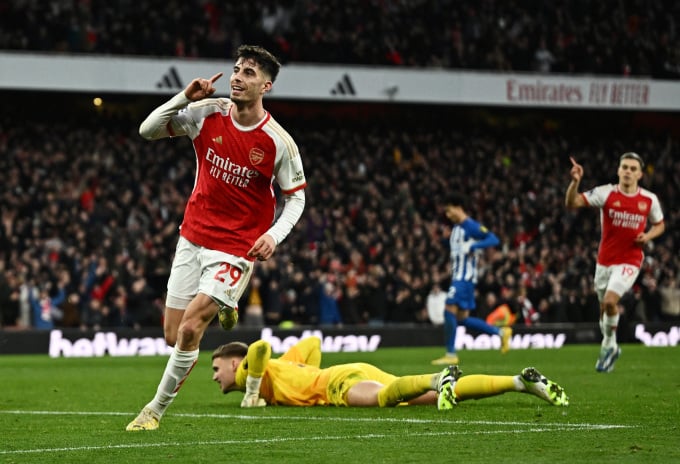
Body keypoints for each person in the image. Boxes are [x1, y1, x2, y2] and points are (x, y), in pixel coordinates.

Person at [126, 45, 307, 431]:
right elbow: (148, 130)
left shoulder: (278, 142)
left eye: (249, 73)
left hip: (235, 248)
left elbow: (296, 198)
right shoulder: (209, 113)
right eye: (237, 69)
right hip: (193, 237)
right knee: (174, 334)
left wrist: (274, 235)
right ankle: (227, 305)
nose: (238, 76)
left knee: (191, 328)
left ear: (266, 86)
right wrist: (183, 98)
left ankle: (153, 411)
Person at [211, 336, 569, 410]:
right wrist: (302, 371)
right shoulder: (283, 367)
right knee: (433, 399)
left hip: (337, 384)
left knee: (382, 400)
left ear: (232, 363)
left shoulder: (246, 372)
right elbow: (313, 342)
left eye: (216, 369)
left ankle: (436, 377)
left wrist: (251, 391)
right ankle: (520, 382)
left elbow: (257, 348)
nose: (215, 378)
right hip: (352, 370)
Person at [565, 153, 664, 373]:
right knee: (604, 309)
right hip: (604, 262)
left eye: (632, 168)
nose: (628, 171)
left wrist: (647, 236)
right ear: (618, 170)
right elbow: (572, 202)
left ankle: (608, 344)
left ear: (639, 174)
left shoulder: (649, 200)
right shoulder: (606, 193)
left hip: (630, 260)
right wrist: (575, 182)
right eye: (624, 167)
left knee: (610, 301)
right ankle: (611, 345)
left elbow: (660, 225)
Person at [432, 193, 511, 365]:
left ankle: (451, 354)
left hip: (463, 278)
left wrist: (475, 245)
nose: (447, 215)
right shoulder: (457, 228)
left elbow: (493, 239)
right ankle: (500, 333)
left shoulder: (471, 225)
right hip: (459, 277)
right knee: (462, 318)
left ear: (457, 207)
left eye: (449, 210)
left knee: (448, 308)